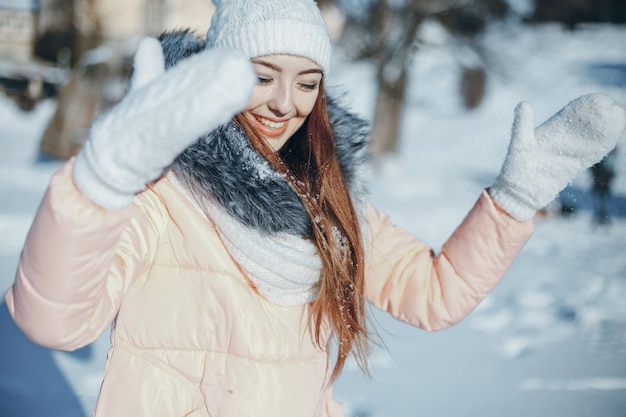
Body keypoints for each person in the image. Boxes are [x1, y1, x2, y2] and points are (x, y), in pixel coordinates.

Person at [4, 0, 625, 416]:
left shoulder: (327, 204)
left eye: (307, 82)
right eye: (262, 74)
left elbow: (435, 293)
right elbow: (55, 324)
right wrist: (99, 185)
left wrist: (511, 202)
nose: (285, 103)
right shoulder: (162, 194)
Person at [589, 147, 617, 224]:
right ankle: (600, 217)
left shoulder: (607, 163)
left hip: (602, 181)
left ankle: (602, 217)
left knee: (602, 200)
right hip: (600, 181)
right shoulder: (605, 163)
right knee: (600, 200)